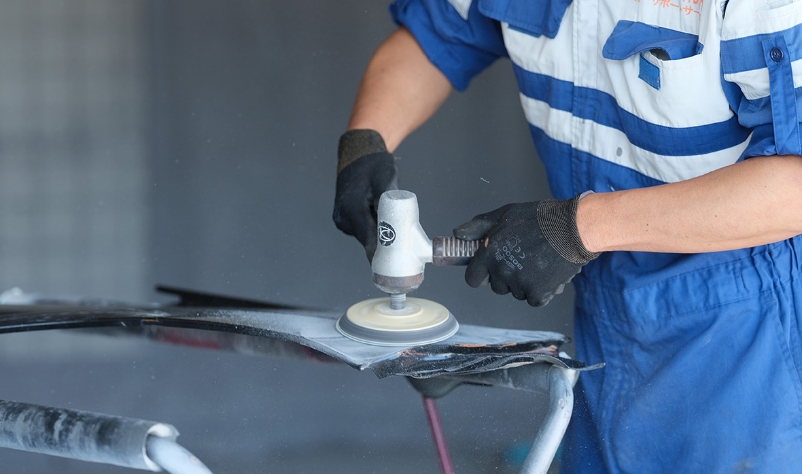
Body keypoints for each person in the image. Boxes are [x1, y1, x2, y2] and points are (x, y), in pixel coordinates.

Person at [333, 1, 802, 472]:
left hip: (746, 338)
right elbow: (439, 36)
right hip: (602, 322)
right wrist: (366, 139)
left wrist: (578, 227)